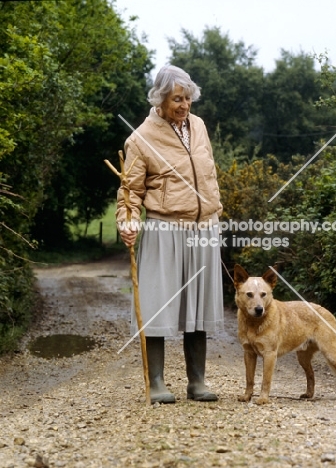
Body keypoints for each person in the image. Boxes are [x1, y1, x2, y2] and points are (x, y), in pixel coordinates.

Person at [116, 65, 224, 404]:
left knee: (199, 304)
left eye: (188, 98)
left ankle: (197, 382)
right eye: (178, 98)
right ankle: (157, 383)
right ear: (160, 99)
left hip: (204, 227)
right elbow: (129, 190)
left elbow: (210, 174)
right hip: (165, 227)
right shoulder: (141, 138)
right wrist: (127, 221)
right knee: (157, 304)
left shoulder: (200, 127)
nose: (184, 105)